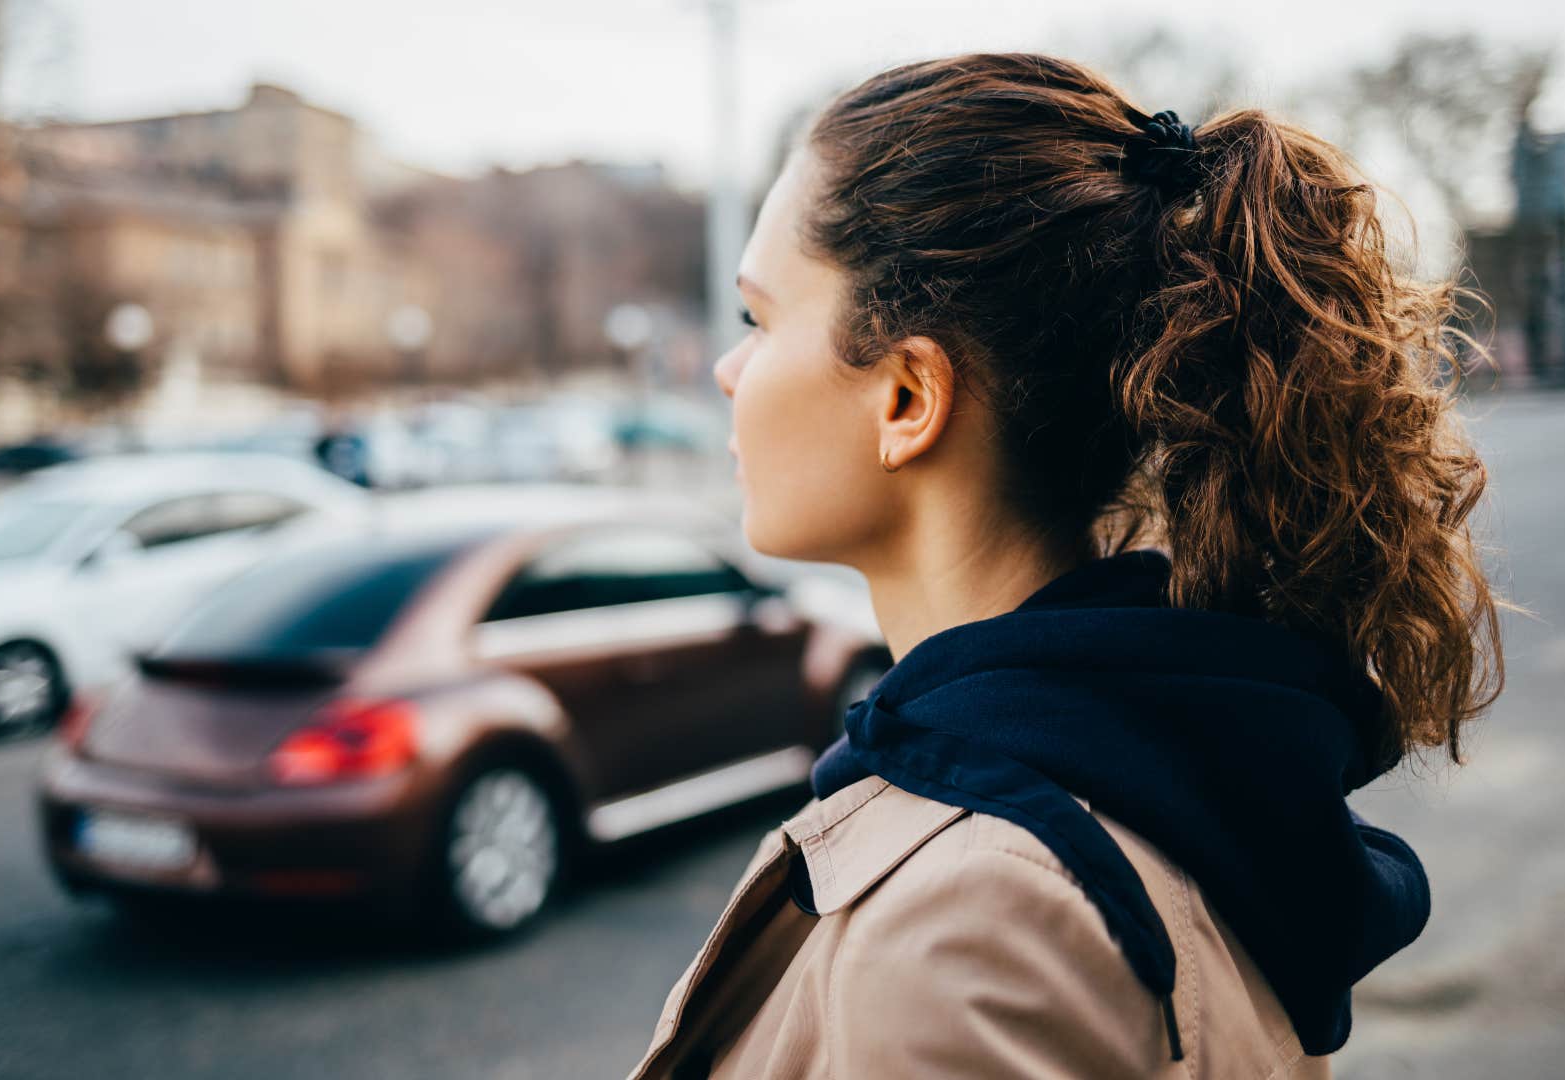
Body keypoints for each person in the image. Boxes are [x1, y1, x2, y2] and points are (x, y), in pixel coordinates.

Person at [629, 53, 1507, 1079]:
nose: (731, 373)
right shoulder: (1164, 762)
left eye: (759, 318)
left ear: (908, 398)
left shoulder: (969, 932)